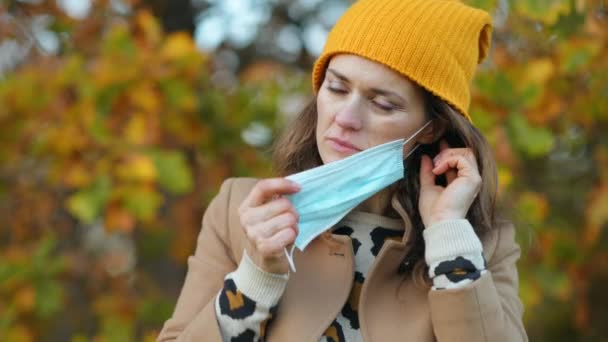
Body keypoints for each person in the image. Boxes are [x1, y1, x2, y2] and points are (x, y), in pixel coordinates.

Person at [158, 0, 528, 341]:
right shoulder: (240, 214)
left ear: (431, 128)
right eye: (336, 88)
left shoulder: (479, 243)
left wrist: (447, 232)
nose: (345, 119)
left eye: (383, 104)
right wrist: (254, 278)